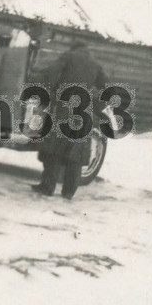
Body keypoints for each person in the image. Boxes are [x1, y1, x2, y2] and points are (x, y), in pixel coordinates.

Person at [32, 43, 108, 200]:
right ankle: (69, 192)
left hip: (63, 107)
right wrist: (95, 105)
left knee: (54, 149)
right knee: (76, 153)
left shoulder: (68, 57)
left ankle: (47, 187)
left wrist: (50, 93)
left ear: (73, 49)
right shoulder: (95, 64)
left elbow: (51, 74)